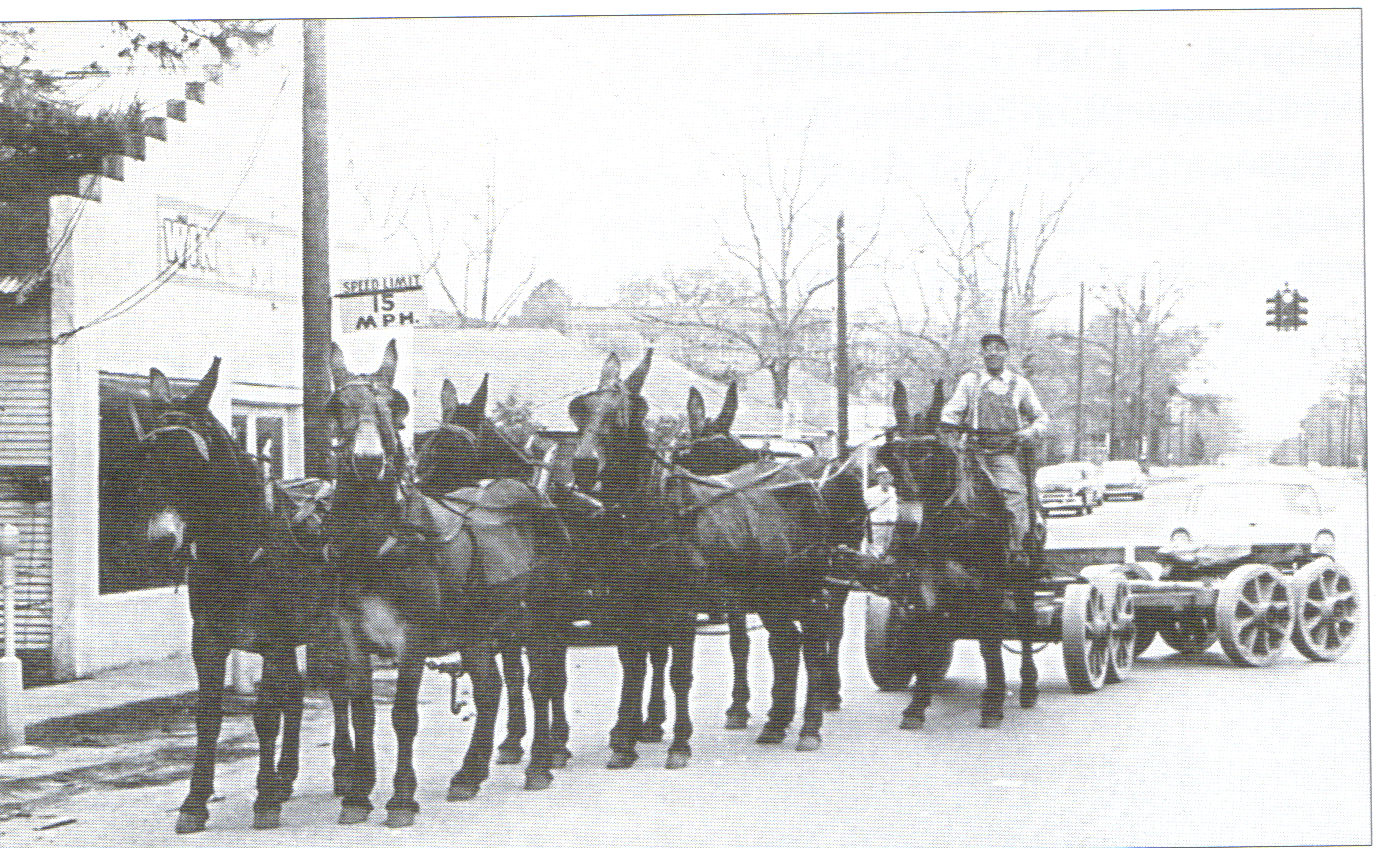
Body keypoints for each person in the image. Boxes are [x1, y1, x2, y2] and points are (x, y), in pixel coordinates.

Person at [939, 333, 1049, 556]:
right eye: (987, 348)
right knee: (940, 489)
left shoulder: (1020, 384)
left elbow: (1041, 418)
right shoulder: (970, 381)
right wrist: (948, 429)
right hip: (970, 452)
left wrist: (1029, 432)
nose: (992, 352)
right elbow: (951, 412)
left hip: (1003, 454)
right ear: (982, 354)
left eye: (998, 348)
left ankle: (1018, 547)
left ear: (1006, 353)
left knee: (1015, 492)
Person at [864, 466, 898, 557]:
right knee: (875, 550)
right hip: (877, 525)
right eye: (884, 477)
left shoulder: (894, 491)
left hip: (891, 525)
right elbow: (864, 508)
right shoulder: (870, 492)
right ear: (878, 478)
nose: (887, 480)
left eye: (889, 477)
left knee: (887, 550)